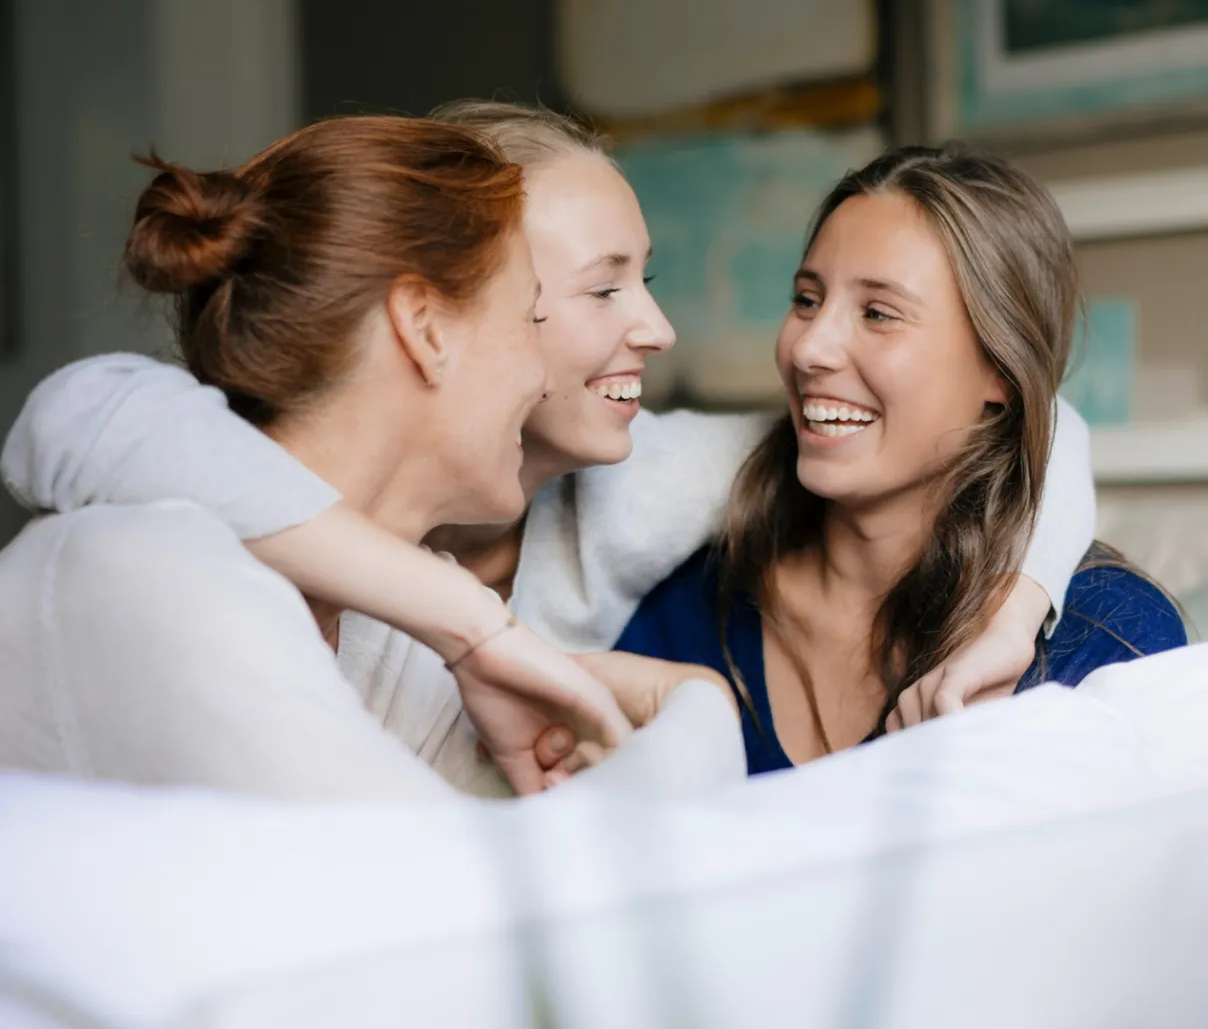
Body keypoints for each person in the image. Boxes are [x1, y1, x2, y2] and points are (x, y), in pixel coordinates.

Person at [3, 111, 1096, 795]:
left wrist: (1010, 609)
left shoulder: (633, 492)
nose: (655, 332)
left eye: (646, 279)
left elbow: (1023, 420)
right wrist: (473, 627)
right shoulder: (180, 557)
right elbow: (80, 414)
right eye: (575, 295)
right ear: (429, 320)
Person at [0, 114, 766, 802]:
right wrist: (696, 710)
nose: (541, 376)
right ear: (425, 328)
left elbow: (517, 877)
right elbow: (447, 903)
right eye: (525, 314)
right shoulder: (158, 577)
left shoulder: (399, 648)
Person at [613, 144, 1186, 774]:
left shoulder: (1104, 638)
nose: (809, 348)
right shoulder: (688, 607)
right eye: (806, 299)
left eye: (878, 313)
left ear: (999, 370)